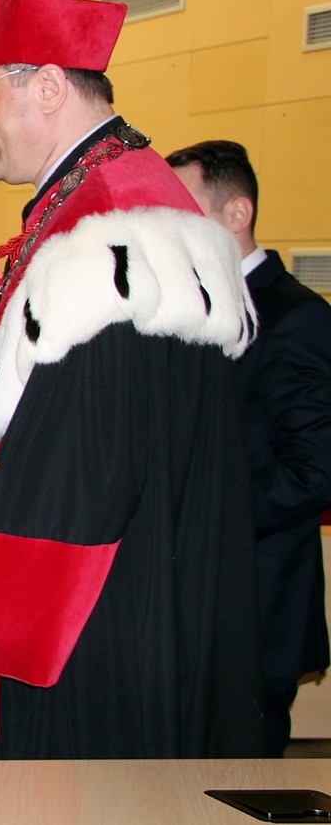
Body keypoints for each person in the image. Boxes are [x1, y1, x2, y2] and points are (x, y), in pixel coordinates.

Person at [0, 0, 265, 758]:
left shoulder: (108, 236)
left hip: (93, 632)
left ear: (48, 86)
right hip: (152, 598)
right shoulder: (114, 200)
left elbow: (66, 488)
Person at [168, 139, 331, 755]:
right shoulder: (192, 308)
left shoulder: (295, 316)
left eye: (186, 211)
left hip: (257, 604)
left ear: (238, 214)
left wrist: (196, 520)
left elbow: (314, 471)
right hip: (198, 603)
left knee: (241, 781)